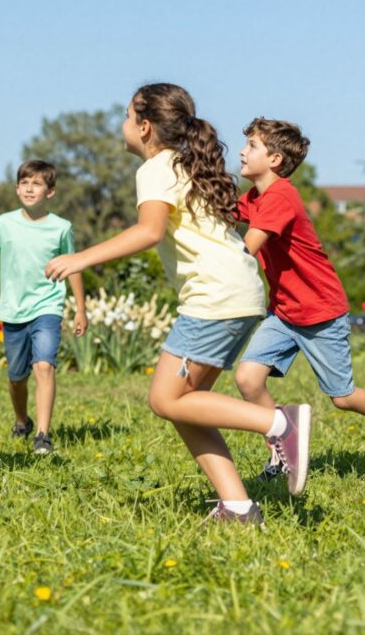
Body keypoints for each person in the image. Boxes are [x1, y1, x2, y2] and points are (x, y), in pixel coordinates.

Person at [45, 83, 311, 526]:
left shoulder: (156, 168)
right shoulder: (187, 164)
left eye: (127, 116)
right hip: (239, 292)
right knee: (187, 403)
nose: (123, 124)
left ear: (145, 127)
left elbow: (149, 231)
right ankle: (238, 507)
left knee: (164, 399)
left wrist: (81, 258)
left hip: (214, 297)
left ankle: (280, 425)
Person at [235, 117, 365, 476]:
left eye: (252, 146)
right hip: (284, 312)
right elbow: (221, 212)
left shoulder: (280, 197)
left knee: (343, 397)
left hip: (320, 311)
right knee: (248, 378)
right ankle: (282, 452)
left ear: (275, 159)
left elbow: (246, 249)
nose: (242, 152)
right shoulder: (255, 197)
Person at [0, 159, 87, 454]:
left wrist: (81, 309)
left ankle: (42, 435)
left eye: (37, 184)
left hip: (47, 306)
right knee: (17, 377)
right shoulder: (4, 223)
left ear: (50, 192)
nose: (30, 189)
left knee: (44, 365)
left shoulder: (61, 228)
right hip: (13, 309)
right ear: (17, 189)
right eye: (25, 183)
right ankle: (22, 421)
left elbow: (74, 267)